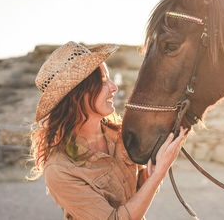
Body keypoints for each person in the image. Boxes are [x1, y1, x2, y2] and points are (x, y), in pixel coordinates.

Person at [28, 41, 188, 220]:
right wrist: (159, 173)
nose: (114, 87)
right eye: (103, 81)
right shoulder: (60, 170)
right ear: (77, 94)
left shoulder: (121, 134)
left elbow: (134, 192)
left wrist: (151, 172)